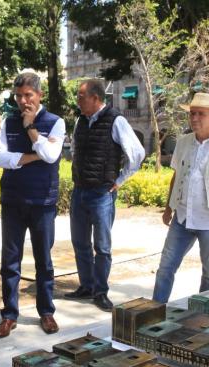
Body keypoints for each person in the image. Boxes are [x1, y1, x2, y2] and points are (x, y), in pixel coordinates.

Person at [0, 72, 65, 338]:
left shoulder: (55, 122)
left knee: (43, 261)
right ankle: (9, 315)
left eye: (28, 95)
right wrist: (32, 156)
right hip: (12, 200)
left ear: (39, 95)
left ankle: (46, 312)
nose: (23, 101)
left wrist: (32, 128)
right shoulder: (8, 123)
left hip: (42, 202)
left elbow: (51, 154)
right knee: (10, 262)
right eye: (19, 96)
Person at [152, 92, 209, 303]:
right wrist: (168, 207)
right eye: (192, 113)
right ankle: (154, 311)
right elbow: (176, 176)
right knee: (165, 267)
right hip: (183, 217)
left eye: (200, 114)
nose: (194, 118)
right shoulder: (183, 142)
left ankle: (202, 318)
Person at [64, 79, 145, 311]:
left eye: (81, 96)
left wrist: (119, 181)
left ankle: (100, 291)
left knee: (102, 246)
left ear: (95, 98)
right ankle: (86, 286)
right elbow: (76, 151)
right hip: (79, 190)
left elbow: (137, 153)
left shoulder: (116, 120)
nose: (78, 101)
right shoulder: (80, 121)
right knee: (80, 242)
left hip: (101, 192)